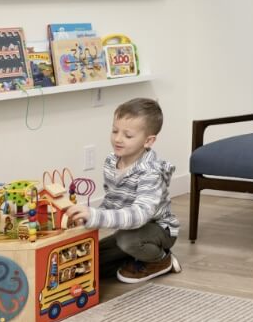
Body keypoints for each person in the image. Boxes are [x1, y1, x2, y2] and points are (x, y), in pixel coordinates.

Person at [66, 98, 181, 283]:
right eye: (114, 131)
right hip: (129, 231)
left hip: (158, 229)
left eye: (128, 135)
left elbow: (140, 215)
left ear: (148, 141)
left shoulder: (150, 172)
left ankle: (161, 259)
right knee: (90, 260)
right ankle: (135, 258)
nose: (118, 139)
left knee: (127, 240)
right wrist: (87, 219)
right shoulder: (111, 162)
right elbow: (112, 201)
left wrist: (96, 216)